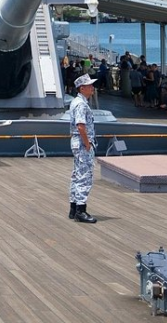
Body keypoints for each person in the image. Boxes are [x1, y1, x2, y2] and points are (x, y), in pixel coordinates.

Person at [69, 73, 98, 224]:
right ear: (82, 88)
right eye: (90, 86)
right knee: (84, 177)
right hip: (82, 144)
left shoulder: (76, 102)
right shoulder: (81, 104)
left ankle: (73, 208)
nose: (92, 88)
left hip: (77, 143)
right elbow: (81, 127)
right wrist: (87, 144)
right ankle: (81, 210)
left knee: (77, 174)